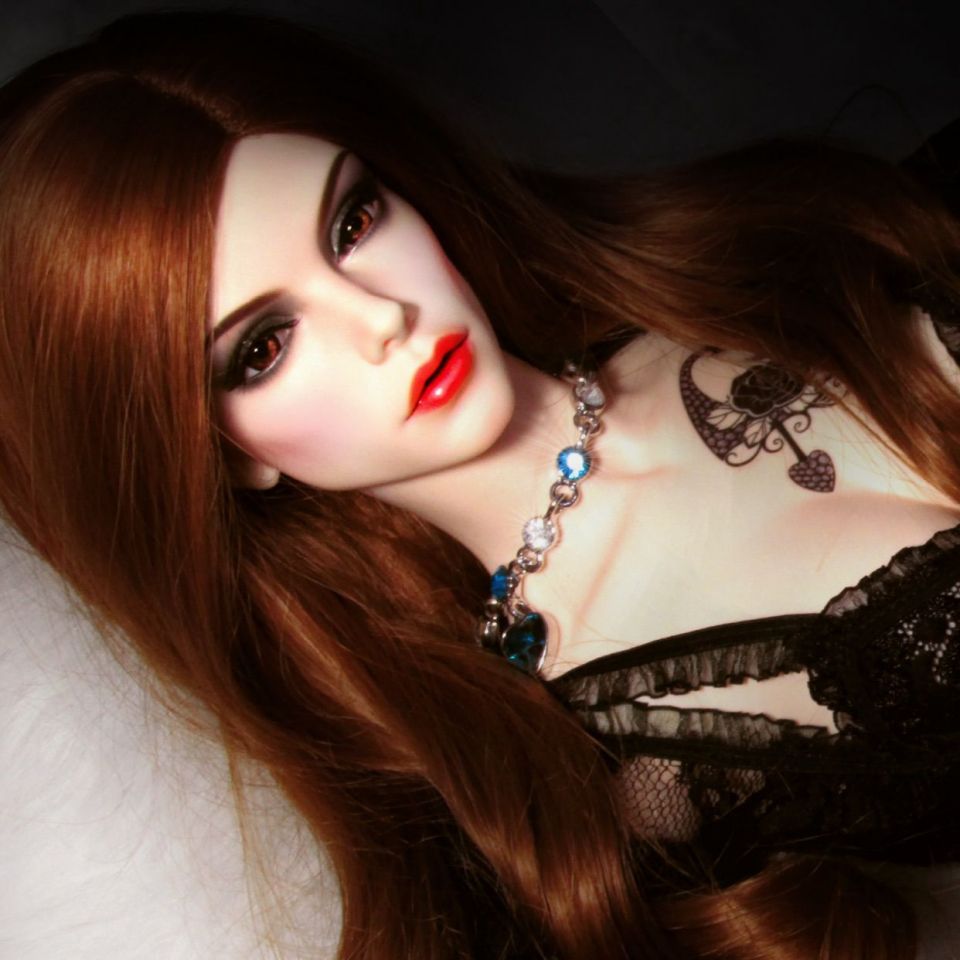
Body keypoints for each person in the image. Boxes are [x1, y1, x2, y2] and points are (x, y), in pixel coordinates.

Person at [1, 10, 958, 959]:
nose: (380, 315)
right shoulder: (594, 766)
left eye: (352, 222)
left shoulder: (746, 249)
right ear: (223, 455)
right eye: (263, 348)